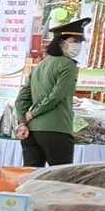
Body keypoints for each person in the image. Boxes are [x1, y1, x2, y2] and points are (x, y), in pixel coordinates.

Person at [13, 22, 83, 167]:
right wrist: (33, 113)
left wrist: (22, 122)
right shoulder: (68, 65)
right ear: (61, 43)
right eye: (75, 41)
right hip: (56, 129)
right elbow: (56, 95)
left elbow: (21, 99)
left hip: (31, 131)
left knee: (31, 177)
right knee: (60, 178)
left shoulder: (39, 66)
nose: (78, 45)